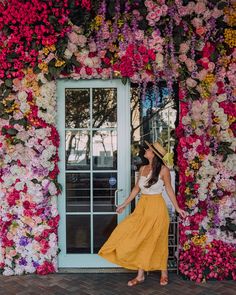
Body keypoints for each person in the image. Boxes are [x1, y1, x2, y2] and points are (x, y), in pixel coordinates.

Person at [98, 140, 187, 287]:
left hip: (157, 207)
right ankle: (140, 275)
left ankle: (162, 273)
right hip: (142, 207)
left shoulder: (164, 170)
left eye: (149, 149)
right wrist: (123, 205)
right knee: (137, 237)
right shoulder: (143, 168)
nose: (145, 150)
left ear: (154, 154)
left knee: (158, 240)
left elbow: (170, 190)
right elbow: (136, 189)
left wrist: (177, 208)